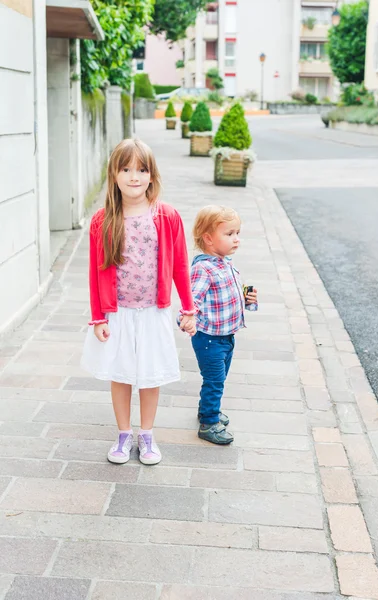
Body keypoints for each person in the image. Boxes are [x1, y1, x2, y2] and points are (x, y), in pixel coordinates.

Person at [81, 138, 196, 466]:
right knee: (121, 373)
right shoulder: (102, 221)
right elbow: (94, 272)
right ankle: (123, 433)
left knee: (150, 374)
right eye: (126, 168)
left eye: (141, 169)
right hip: (117, 313)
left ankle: (147, 434)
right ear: (114, 175)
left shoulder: (167, 216)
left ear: (152, 175)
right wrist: (98, 317)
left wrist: (188, 308)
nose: (134, 176)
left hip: (153, 311)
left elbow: (180, 266)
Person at [189, 205, 258, 444]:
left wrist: (248, 301)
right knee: (215, 381)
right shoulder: (203, 268)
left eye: (237, 233)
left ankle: (208, 409)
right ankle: (208, 423)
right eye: (229, 234)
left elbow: (229, 296)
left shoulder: (226, 263)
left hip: (227, 336)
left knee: (219, 378)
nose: (236, 239)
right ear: (208, 239)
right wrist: (186, 317)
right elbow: (192, 299)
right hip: (209, 338)